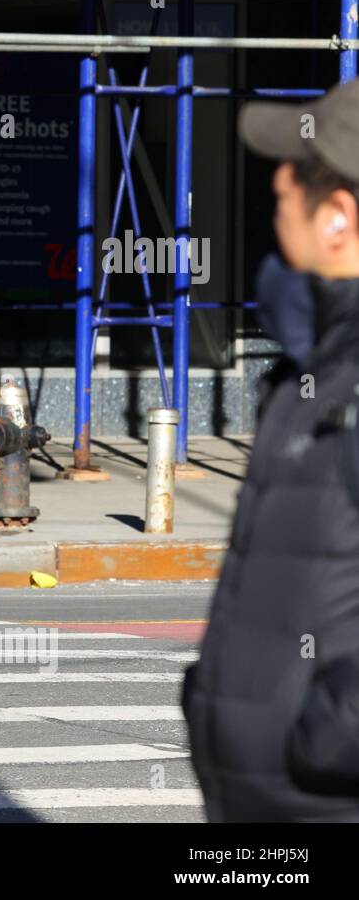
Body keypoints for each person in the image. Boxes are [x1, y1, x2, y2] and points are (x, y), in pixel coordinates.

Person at [183, 79, 359, 821]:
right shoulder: (318, 367)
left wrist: (328, 736)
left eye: (285, 202)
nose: (274, 213)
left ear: (339, 219)